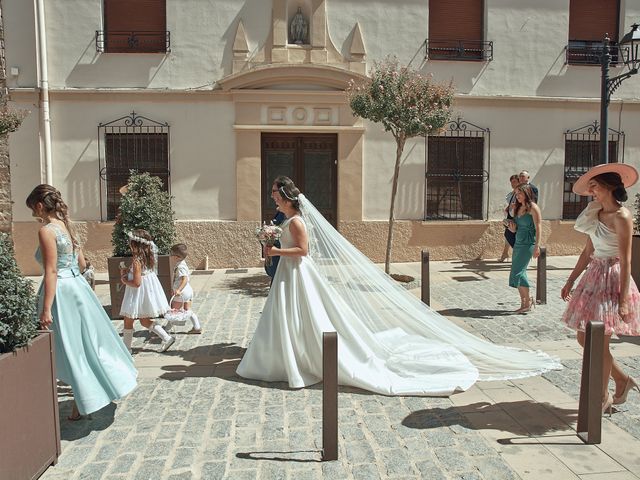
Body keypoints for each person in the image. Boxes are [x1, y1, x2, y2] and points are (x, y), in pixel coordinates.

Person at [236, 177, 560, 396]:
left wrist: (276, 249)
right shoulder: (285, 221)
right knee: (286, 315)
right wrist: (272, 245)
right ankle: (283, 356)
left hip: (298, 272)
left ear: (289, 200)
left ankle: (299, 357)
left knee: (305, 315)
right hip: (289, 276)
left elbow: (303, 251)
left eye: (277, 198)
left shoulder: (296, 221)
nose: (274, 202)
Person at [26, 184, 137, 421]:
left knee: (68, 347)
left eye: (33, 211)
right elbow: (82, 265)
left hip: (61, 293)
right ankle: (83, 399)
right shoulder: (67, 226)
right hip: (78, 289)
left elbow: (52, 271)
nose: (34, 216)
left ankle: (83, 399)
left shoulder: (46, 231)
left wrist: (46, 308)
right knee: (84, 344)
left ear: (38, 206)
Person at [561, 163, 640, 414]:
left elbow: (627, 259)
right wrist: (571, 280)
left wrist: (624, 299)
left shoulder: (622, 216)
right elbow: (587, 251)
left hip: (612, 279)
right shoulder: (594, 213)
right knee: (585, 337)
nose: (591, 190)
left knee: (600, 340)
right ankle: (621, 380)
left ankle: (602, 396)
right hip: (593, 276)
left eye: (594, 185)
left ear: (609, 186)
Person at [120, 229, 174, 353]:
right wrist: (127, 272)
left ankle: (126, 349)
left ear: (135, 244)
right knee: (144, 320)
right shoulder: (148, 258)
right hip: (146, 293)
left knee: (128, 320)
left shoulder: (137, 261)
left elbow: (137, 283)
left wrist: (124, 280)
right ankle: (167, 337)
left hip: (137, 295)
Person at [507, 184, 542, 313]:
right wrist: (513, 229)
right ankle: (527, 301)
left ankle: (526, 303)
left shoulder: (533, 207)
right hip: (518, 241)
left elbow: (538, 227)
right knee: (516, 272)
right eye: (516, 194)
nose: (517, 196)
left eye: (519, 193)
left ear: (526, 193)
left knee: (518, 272)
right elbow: (518, 226)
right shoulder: (518, 207)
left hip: (528, 243)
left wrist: (537, 246)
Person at [166, 243, 202, 334]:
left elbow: (184, 279)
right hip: (188, 291)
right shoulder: (182, 263)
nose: (170, 256)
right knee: (187, 310)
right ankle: (197, 327)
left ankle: (166, 330)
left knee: (173, 312)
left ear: (177, 257)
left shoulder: (180, 266)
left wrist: (178, 290)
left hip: (182, 292)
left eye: (171, 254)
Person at [265, 182, 287, 280]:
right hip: (278, 261)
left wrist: (276, 250)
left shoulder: (291, 217)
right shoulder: (281, 211)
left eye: (274, 191)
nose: (271, 195)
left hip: (284, 263)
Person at [499, 174, 520, 262]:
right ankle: (506, 254)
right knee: (508, 235)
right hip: (510, 216)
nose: (512, 184)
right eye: (511, 182)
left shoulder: (520, 193)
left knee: (510, 235)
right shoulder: (512, 193)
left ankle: (515, 255)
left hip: (516, 217)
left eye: (514, 181)